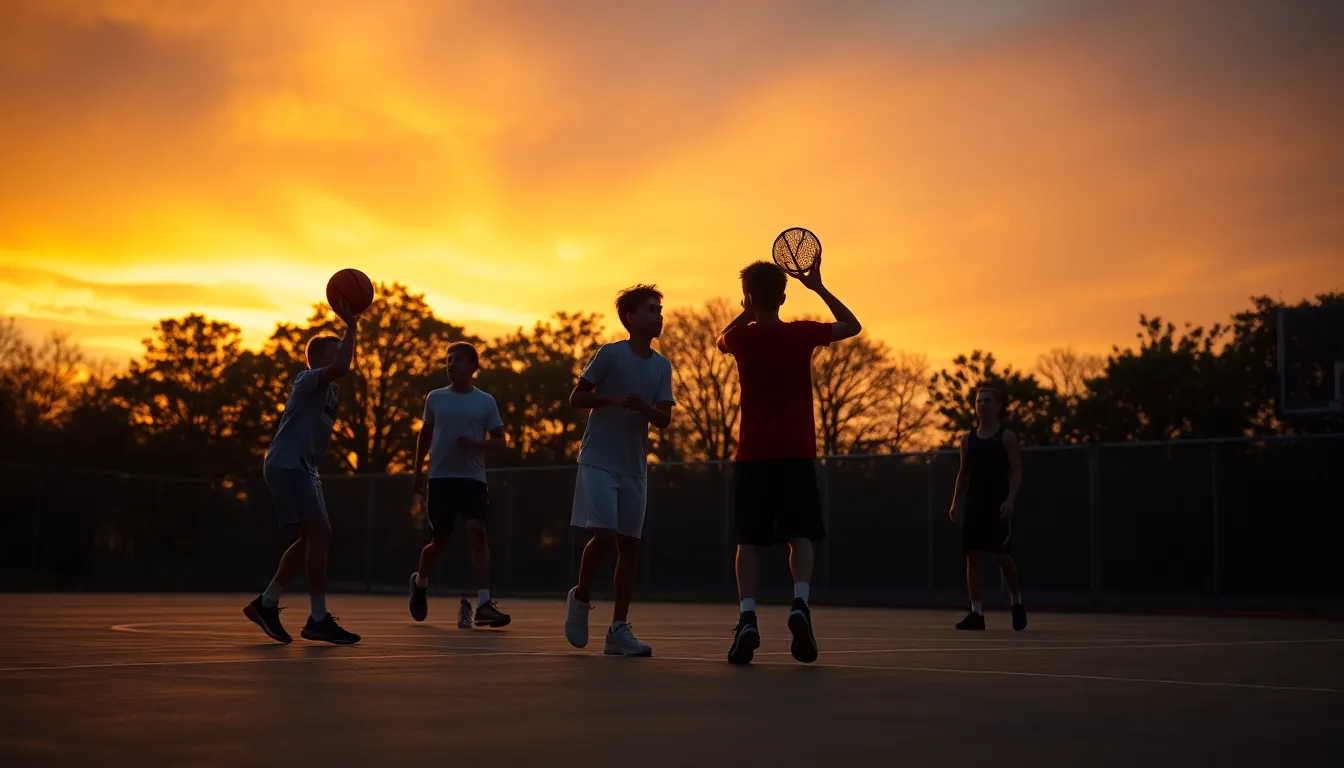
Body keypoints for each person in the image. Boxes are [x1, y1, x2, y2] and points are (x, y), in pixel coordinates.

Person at [717, 257, 861, 665]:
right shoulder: (801, 335)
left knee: (748, 541)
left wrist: (745, 312)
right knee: (801, 536)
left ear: (749, 296)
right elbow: (852, 325)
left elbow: (720, 338)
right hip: (796, 453)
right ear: (783, 297)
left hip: (754, 454)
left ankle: (747, 616)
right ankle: (800, 605)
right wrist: (817, 287)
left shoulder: (742, 340)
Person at [563, 284, 675, 657]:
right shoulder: (610, 355)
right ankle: (580, 597)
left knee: (630, 546)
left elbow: (665, 420)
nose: (658, 315)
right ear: (630, 318)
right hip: (598, 459)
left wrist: (644, 407)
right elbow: (576, 397)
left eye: (659, 309)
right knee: (606, 536)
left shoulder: (662, 365)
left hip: (633, 466)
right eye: (650, 309)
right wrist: (607, 398)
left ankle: (617, 630)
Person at [243, 298, 362, 645]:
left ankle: (266, 603)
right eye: (337, 350)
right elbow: (341, 366)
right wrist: (352, 324)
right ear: (320, 359)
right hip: (287, 463)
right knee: (321, 534)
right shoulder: (308, 379)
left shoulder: (331, 392)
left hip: (303, 468)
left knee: (312, 537)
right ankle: (318, 618)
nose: (345, 355)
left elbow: (340, 369)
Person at [408, 342, 511, 629]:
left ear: (473, 366)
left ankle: (484, 603)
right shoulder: (435, 398)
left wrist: (476, 444)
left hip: (473, 479)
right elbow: (425, 435)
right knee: (439, 543)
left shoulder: (485, 401)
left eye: (458, 360)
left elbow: (501, 440)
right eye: (448, 359)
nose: (451, 364)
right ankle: (420, 582)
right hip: (441, 479)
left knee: (477, 532)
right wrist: (418, 470)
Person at [948, 386, 1027, 631]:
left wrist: (1011, 498)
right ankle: (976, 613)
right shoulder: (967, 439)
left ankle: (1016, 601)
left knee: (1002, 557)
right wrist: (954, 502)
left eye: (987, 401)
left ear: (997, 406)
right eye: (978, 401)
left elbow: (1016, 471)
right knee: (973, 556)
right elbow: (962, 473)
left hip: (998, 504)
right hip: (974, 504)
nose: (982, 404)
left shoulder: (1006, 437)